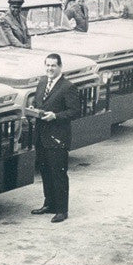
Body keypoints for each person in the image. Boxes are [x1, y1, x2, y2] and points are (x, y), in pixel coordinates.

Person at [31, 53, 80, 223]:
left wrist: (56, 116)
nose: (50, 69)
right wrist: (34, 109)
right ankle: (49, 204)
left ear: (60, 67)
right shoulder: (42, 82)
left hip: (58, 137)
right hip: (41, 136)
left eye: (53, 66)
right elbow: (39, 104)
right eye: (47, 65)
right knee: (45, 172)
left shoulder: (68, 87)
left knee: (58, 174)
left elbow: (74, 111)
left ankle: (61, 210)